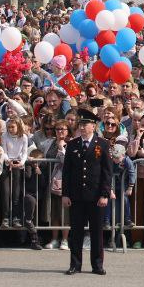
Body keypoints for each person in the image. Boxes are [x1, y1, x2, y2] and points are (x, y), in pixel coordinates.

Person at [62, 108, 111, 275]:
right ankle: (75, 264)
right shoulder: (72, 144)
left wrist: (105, 194)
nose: (82, 128)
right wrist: (65, 193)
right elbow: (67, 171)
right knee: (76, 232)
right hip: (77, 195)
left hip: (96, 195)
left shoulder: (102, 144)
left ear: (94, 126)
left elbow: (107, 172)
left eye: (86, 124)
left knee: (96, 232)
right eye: (81, 124)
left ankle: (97, 265)